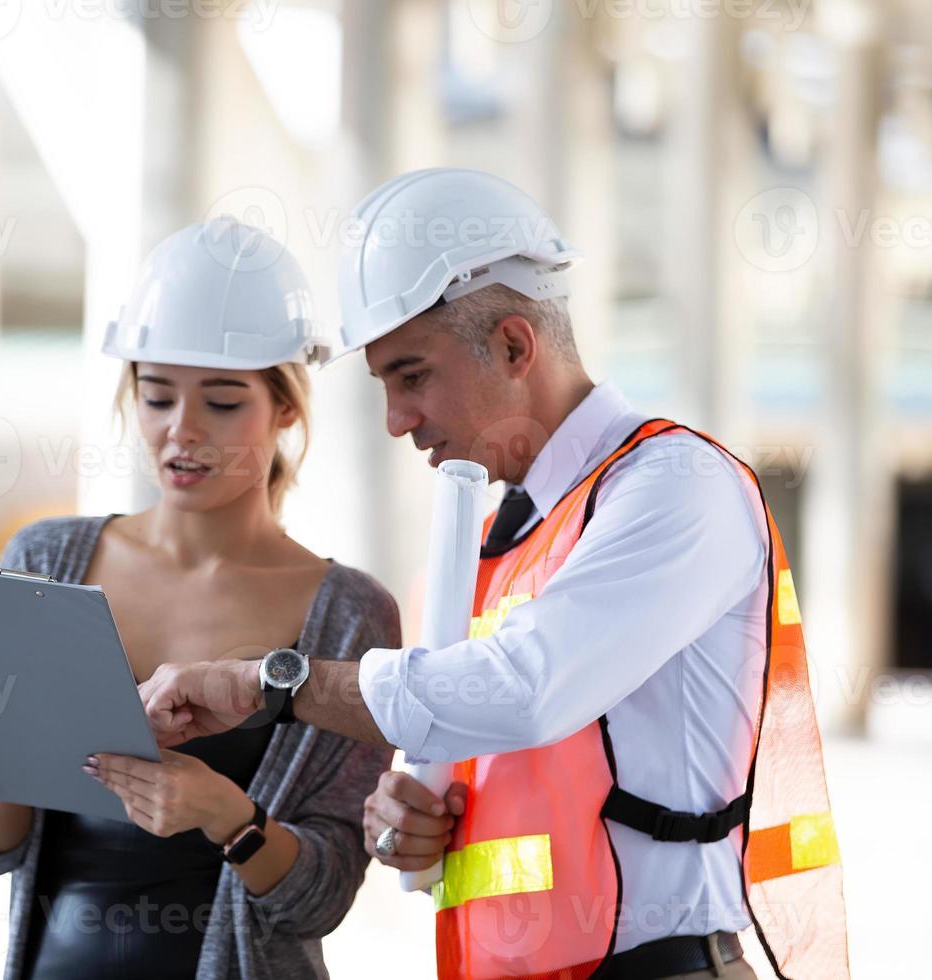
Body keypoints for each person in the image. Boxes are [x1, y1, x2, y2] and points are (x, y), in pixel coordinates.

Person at [139, 170, 849, 980]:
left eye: (411, 376)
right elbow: (484, 750)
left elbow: (526, 688)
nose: (396, 421)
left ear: (515, 345)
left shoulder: (677, 488)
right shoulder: (504, 542)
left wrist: (267, 683)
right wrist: (411, 819)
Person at [0, 218, 400, 980]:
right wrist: (17, 754)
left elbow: (321, 896)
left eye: (222, 404)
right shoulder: (47, 560)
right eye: (157, 398)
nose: (181, 432)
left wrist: (222, 812)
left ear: (286, 408)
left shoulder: (349, 614)